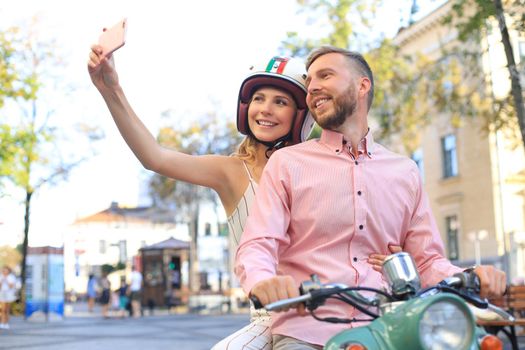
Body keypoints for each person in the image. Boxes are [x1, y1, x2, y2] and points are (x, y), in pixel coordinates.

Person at [235, 46, 507, 349]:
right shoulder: (287, 164)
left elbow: (427, 260)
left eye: (325, 75)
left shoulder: (404, 172)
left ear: (362, 85)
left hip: (390, 328)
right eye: (310, 81)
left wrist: (471, 275)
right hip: (307, 330)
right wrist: (263, 281)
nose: (312, 88)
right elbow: (258, 242)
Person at [88, 44, 316, 349]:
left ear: (301, 115)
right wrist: (110, 89)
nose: (265, 109)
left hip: (324, 312)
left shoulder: (320, 170)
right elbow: (155, 157)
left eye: (280, 101)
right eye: (258, 98)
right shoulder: (232, 172)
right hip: (268, 319)